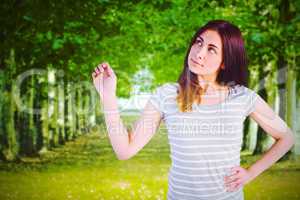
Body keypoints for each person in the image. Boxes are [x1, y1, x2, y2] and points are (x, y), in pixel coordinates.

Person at [92, 20, 295, 200]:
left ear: (225, 61)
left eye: (211, 49)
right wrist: (108, 96)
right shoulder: (166, 95)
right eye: (198, 43)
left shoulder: (242, 97)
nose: (199, 53)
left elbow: (287, 138)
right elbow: (124, 150)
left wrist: (251, 172)